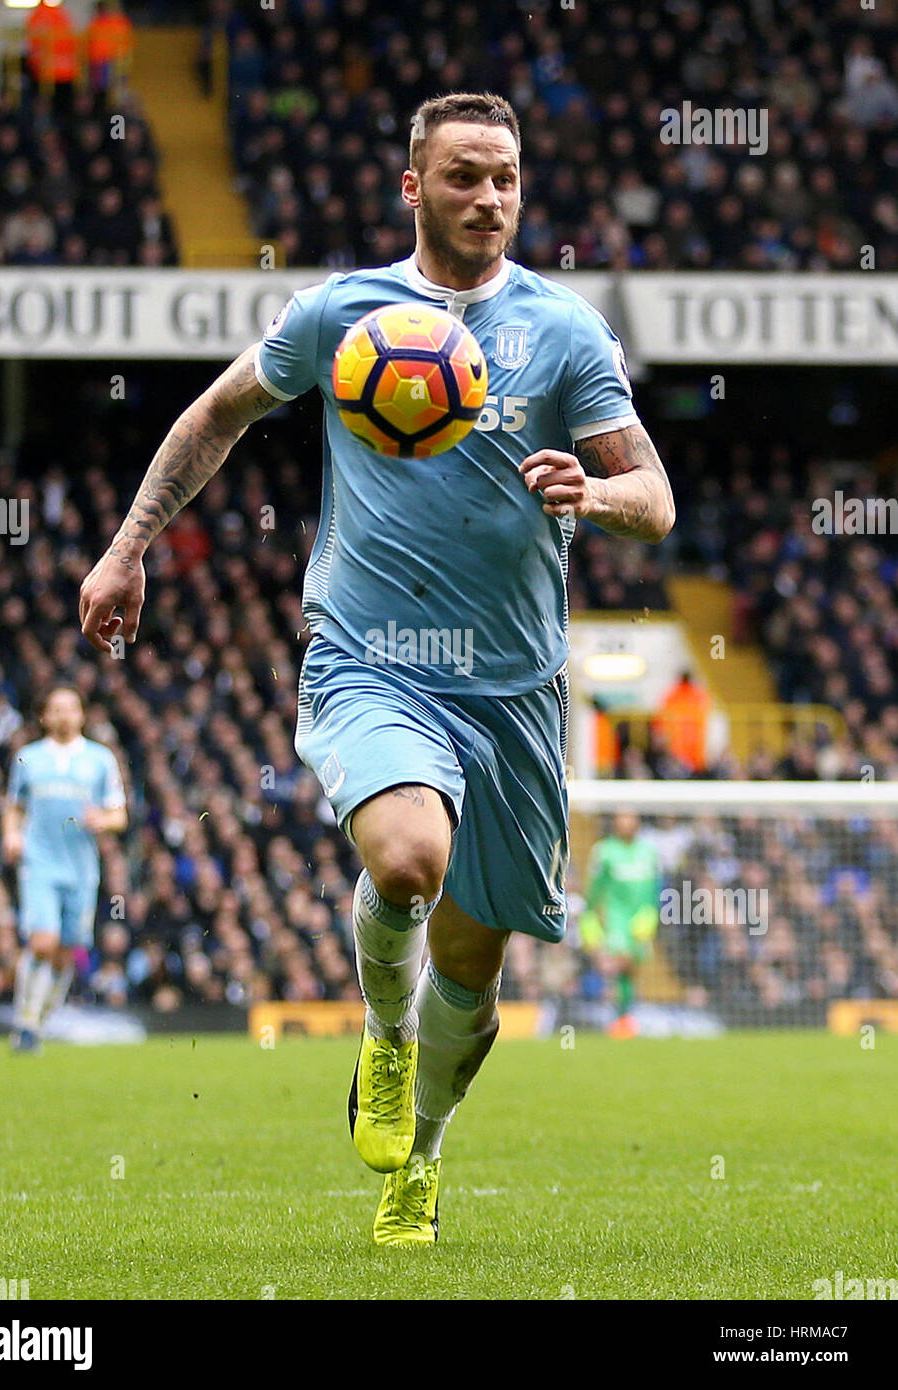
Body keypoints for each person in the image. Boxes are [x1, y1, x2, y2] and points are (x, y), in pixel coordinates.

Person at [79, 92, 674, 1245]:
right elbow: (218, 413)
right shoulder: (345, 315)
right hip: (372, 659)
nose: (489, 198)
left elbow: (652, 497)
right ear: (412, 186)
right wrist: (127, 545)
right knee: (408, 860)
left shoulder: (564, 333)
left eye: (504, 176)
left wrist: (593, 494)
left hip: (515, 691)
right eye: (462, 176)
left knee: (475, 979)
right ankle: (386, 1041)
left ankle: (425, 1157)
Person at [3, 687, 128, 1052]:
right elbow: (14, 806)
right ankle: (24, 1023)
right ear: (44, 716)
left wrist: (103, 820)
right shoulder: (28, 758)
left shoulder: (100, 758)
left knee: (66, 949)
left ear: (82, 715)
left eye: (71, 708)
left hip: (81, 867)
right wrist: (12, 835)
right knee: (42, 942)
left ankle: (38, 1024)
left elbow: (119, 814)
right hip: (39, 862)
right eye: (56, 709)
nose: (63, 715)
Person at [580, 811, 660, 1037]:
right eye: (622, 818)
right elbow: (595, 889)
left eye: (630, 817)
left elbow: (656, 887)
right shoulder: (605, 851)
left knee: (630, 970)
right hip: (616, 917)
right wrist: (592, 917)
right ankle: (619, 1016)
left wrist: (652, 915)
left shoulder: (648, 851)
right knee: (619, 964)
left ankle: (624, 1017)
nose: (626, 822)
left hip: (642, 919)